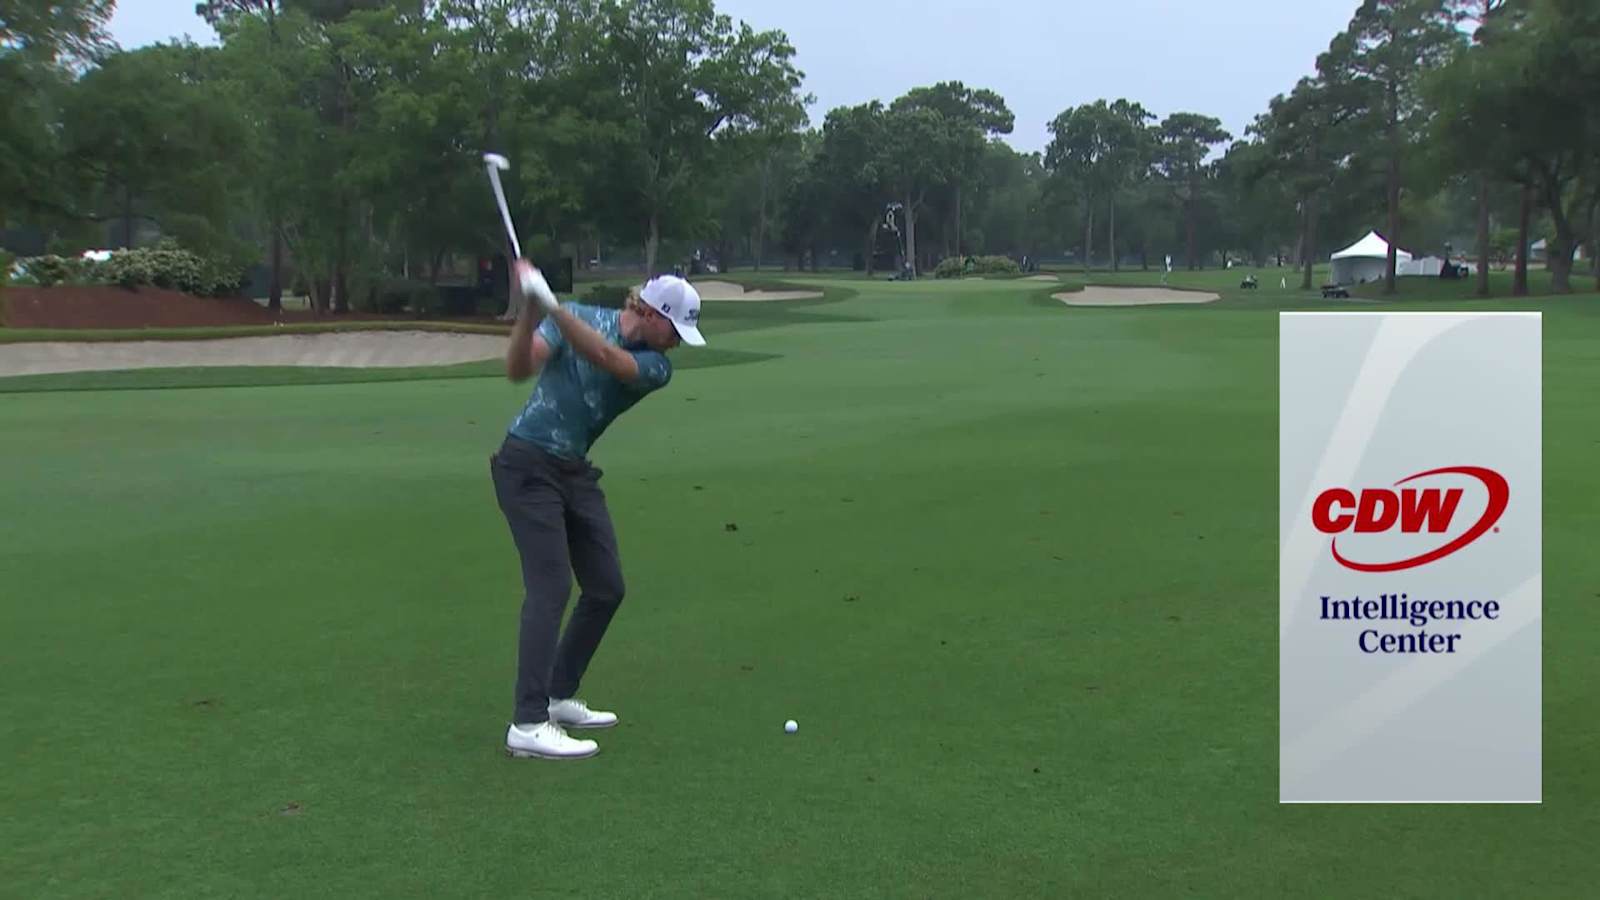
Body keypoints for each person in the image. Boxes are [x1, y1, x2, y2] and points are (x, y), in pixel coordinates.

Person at [490, 261, 705, 760]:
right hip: (526, 463)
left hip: (572, 470)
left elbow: (608, 357)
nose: (677, 342)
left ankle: (558, 694)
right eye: (675, 329)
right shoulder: (580, 315)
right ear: (650, 312)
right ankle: (527, 721)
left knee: (607, 587)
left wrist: (552, 307)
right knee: (552, 585)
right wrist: (530, 312)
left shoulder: (657, 367)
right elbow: (519, 368)